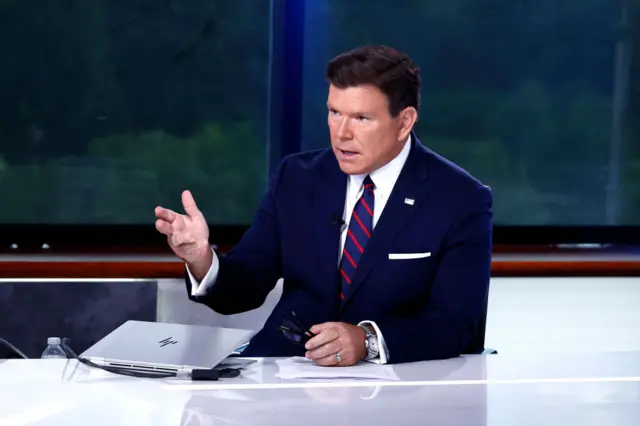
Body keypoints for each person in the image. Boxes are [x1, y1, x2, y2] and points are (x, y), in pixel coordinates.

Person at [155, 45, 493, 366]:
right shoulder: (298, 178)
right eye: (334, 113)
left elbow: (456, 323)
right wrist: (202, 259)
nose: (341, 133)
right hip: (283, 367)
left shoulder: (460, 199)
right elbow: (245, 287)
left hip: (392, 384)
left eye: (361, 118)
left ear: (404, 122)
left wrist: (366, 341)